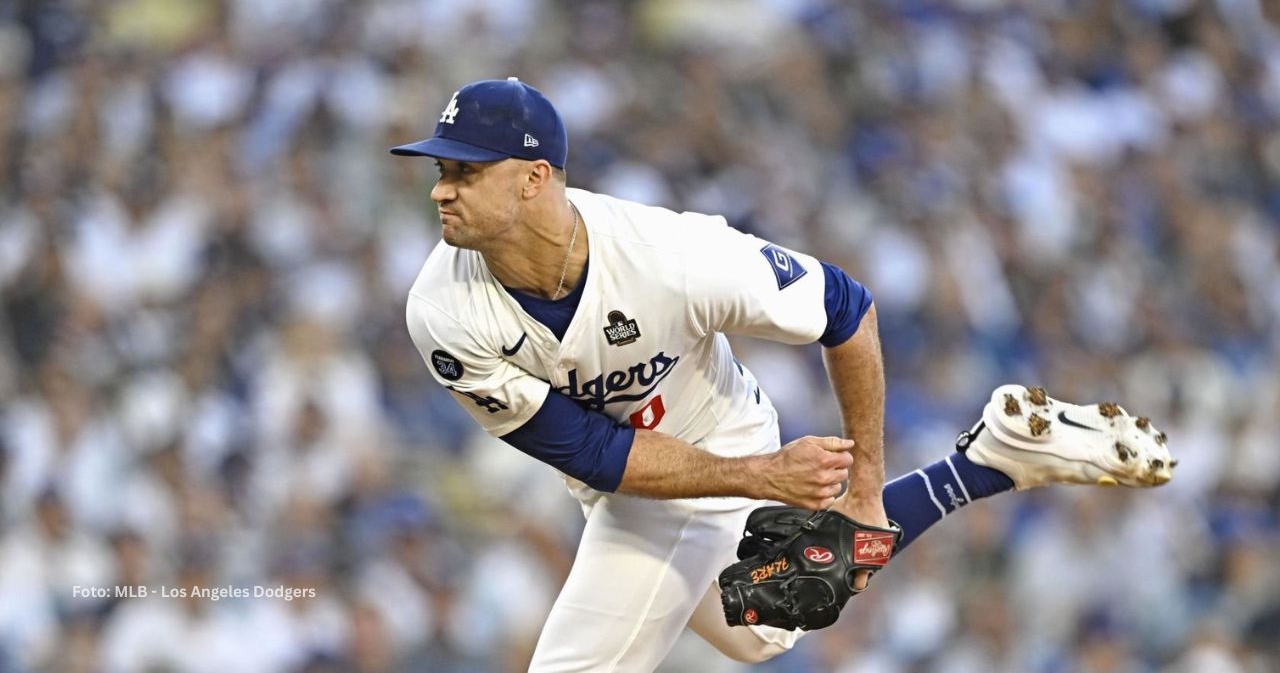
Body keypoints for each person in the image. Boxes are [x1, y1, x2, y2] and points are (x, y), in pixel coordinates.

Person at [391, 78, 1175, 671]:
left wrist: (863, 483)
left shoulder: (671, 257)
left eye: (464, 171)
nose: (440, 189)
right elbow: (590, 453)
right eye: (440, 169)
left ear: (533, 178)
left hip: (713, 434)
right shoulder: (444, 311)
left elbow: (846, 307)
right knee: (761, 627)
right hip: (643, 470)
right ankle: (982, 464)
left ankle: (951, 474)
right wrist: (761, 475)